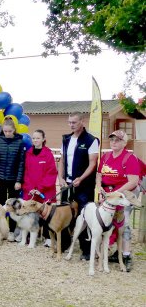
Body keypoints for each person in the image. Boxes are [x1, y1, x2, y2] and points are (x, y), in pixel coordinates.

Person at [96, 130, 140, 272]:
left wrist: (116, 193)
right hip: (109, 194)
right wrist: (100, 190)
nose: (114, 142)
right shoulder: (106, 156)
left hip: (124, 194)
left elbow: (133, 181)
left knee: (124, 224)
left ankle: (126, 256)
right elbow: (99, 175)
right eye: (112, 139)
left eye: (118, 140)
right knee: (107, 222)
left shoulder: (130, 158)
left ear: (124, 143)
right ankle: (113, 252)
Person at [58, 111, 99, 261]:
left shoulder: (91, 140)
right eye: (69, 122)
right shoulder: (66, 139)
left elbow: (93, 163)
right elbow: (62, 160)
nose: (71, 125)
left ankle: (86, 249)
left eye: (74, 122)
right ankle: (64, 244)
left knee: (84, 215)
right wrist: (60, 177)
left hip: (84, 185)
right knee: (63, 213)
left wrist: (81, 178)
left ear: (82, 121)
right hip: (67, 184)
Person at [0, 118, 25, 241]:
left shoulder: (20, 142)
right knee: (0, 205)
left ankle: (11, 231)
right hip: (0, 179)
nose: (8, 133)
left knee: (14, 206)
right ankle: (1, 229)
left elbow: (21, 163)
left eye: (10, 131)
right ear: (2, 131)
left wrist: (19, 180)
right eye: (5, 131)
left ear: (14, 130)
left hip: (14, 180)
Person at [22, 129, 58, 247]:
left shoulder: (48, 154)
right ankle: (31, 235)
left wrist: (40, 188)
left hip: (45, 191)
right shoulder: (28, 153)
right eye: (34, 138)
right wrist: (30, 188)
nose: (35, 140)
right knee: (30, 213)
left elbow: (51, 173)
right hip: (31, 190)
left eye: (38, 138)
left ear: (43, 139)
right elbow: (25, 173)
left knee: (47, 213)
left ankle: (48, 237)